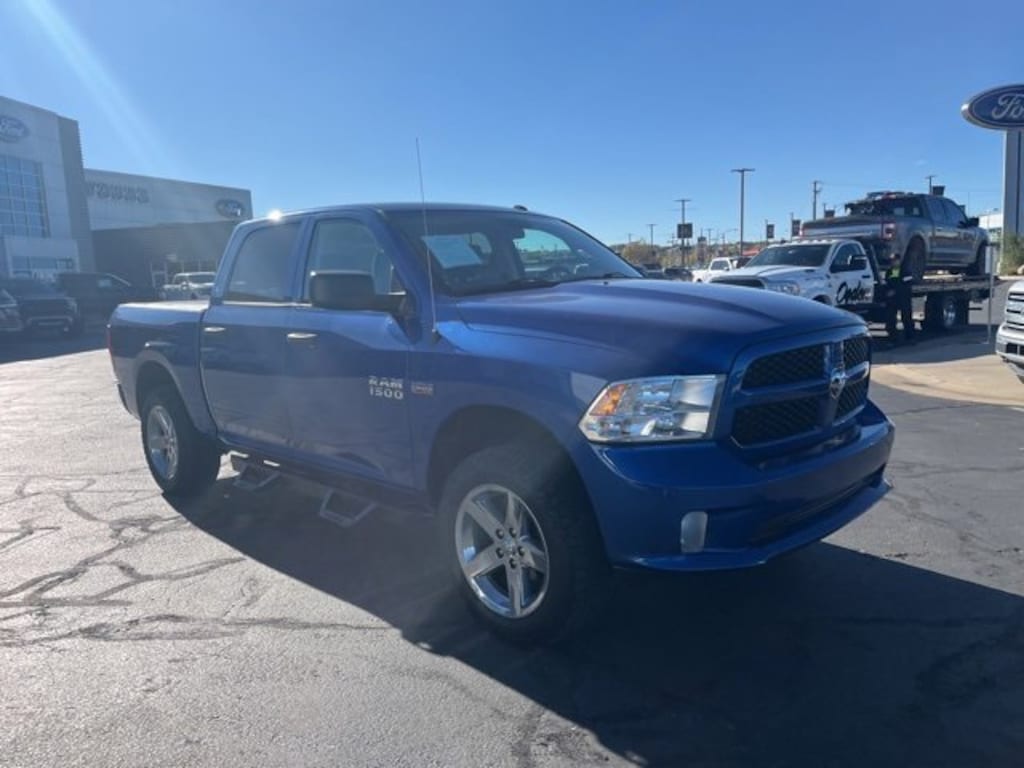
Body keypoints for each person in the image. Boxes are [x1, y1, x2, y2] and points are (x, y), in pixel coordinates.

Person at [884, 253, 915, 345]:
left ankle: (910, 338)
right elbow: (888, 283)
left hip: (904, 298)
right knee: (891, 319)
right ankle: (892, 338)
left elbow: (907, 284)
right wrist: (888, 292)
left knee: (906, 318)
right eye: (891, 261)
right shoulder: (889, 271)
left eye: (894, 260)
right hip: (892, 300)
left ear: (899, 260)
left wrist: (895, 291)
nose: (893, 262)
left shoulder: (905, 270)